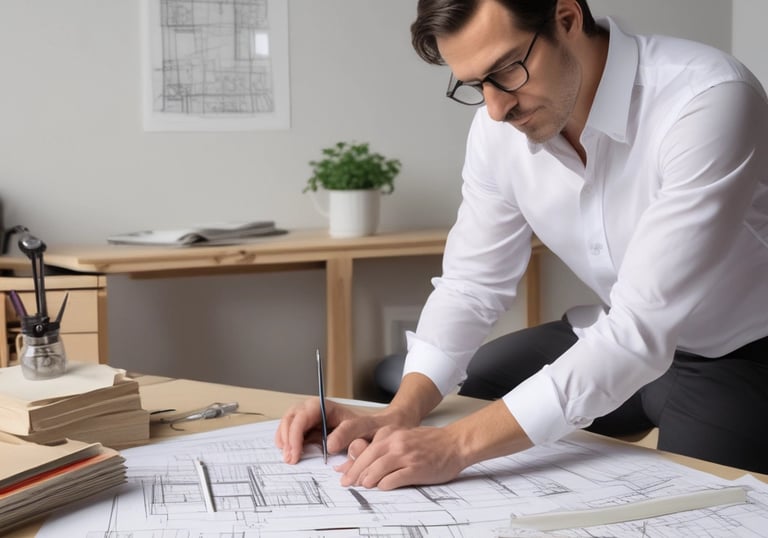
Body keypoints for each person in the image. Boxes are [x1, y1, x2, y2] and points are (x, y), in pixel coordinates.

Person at [277, 0, 768, 489]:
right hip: (612, 326)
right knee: (478, 386)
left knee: (703, 504)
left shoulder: (706, 98)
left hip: (738, 355)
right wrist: (399, 414)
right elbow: (471, 285)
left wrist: (455, 446)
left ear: (568, 19)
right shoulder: (499, 130)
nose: (495, 107)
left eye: (507, 70)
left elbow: (640, 331)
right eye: (475, 84)